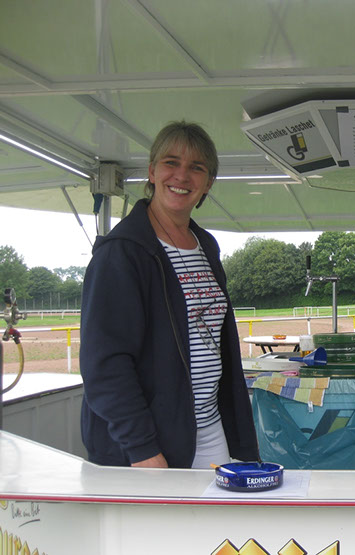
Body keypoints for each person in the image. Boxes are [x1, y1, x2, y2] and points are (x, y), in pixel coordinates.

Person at [80, 121, 260, 469]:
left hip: (208, 428)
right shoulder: (122, 252)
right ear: (152, 171)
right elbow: (105, 363)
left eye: (197, 167)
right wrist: (142, 449)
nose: (182, 176)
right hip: (150, 443)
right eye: (171, 162)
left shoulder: (205, 245)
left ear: (208, 183)